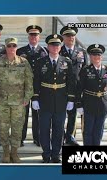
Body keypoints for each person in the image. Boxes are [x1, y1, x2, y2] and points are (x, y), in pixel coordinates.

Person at [32, 34, 75, 163]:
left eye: (57, 45)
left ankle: (56, 154)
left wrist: (71, 99)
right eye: (52, 45)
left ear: (60, 46)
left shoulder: (67, 62)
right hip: (45, 100)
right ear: (48, 47)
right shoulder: (41, 62)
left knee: (59, 130)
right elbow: (36, 81)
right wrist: (35, 98)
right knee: (44, 129)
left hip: (61, 101)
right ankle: (46, 154)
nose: (55, 47)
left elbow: (71, 82)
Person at [0, 37, 33, 163]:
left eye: (14, 46)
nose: (11, 48)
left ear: (17, 47)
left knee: (17, 128)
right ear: (5, 47)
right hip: (2, 102)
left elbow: (29, 81)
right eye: (9, 46)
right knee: (3, 128)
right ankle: (5, 152)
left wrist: (27, 97)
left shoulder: (23, 62)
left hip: (19, 102)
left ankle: (14, 153)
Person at [16, 25, 48, 147]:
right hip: (23, 86)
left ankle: (37, 137)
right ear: (28, 36)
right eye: (31, 35)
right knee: (22, 113)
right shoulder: (21, 51)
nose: (33, 37)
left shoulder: (44, 51)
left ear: (39, 37)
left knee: (38, 114)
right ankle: (20, 137)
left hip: (39, 87)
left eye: (36, 35)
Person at [76, 44, 107, 146]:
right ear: (90, 57)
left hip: (103, 104)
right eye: (93, 55)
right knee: (88, 131)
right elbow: (79, 88)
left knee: (99, 131)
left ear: (102, 57)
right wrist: (79, 104)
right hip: (89, 104)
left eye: (98, 55)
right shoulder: (85, 70)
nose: (96, 57)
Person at [59, 26, 88, 146]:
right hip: (61, 87)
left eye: (72, 36)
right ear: (63, 38)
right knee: (60, 113)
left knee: (72, 114)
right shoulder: (58, 50)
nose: (71, 38)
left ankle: (70, 136)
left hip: (76, 88)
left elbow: (85, 70)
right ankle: (59, 135)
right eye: (68, 36)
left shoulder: (82, 52)